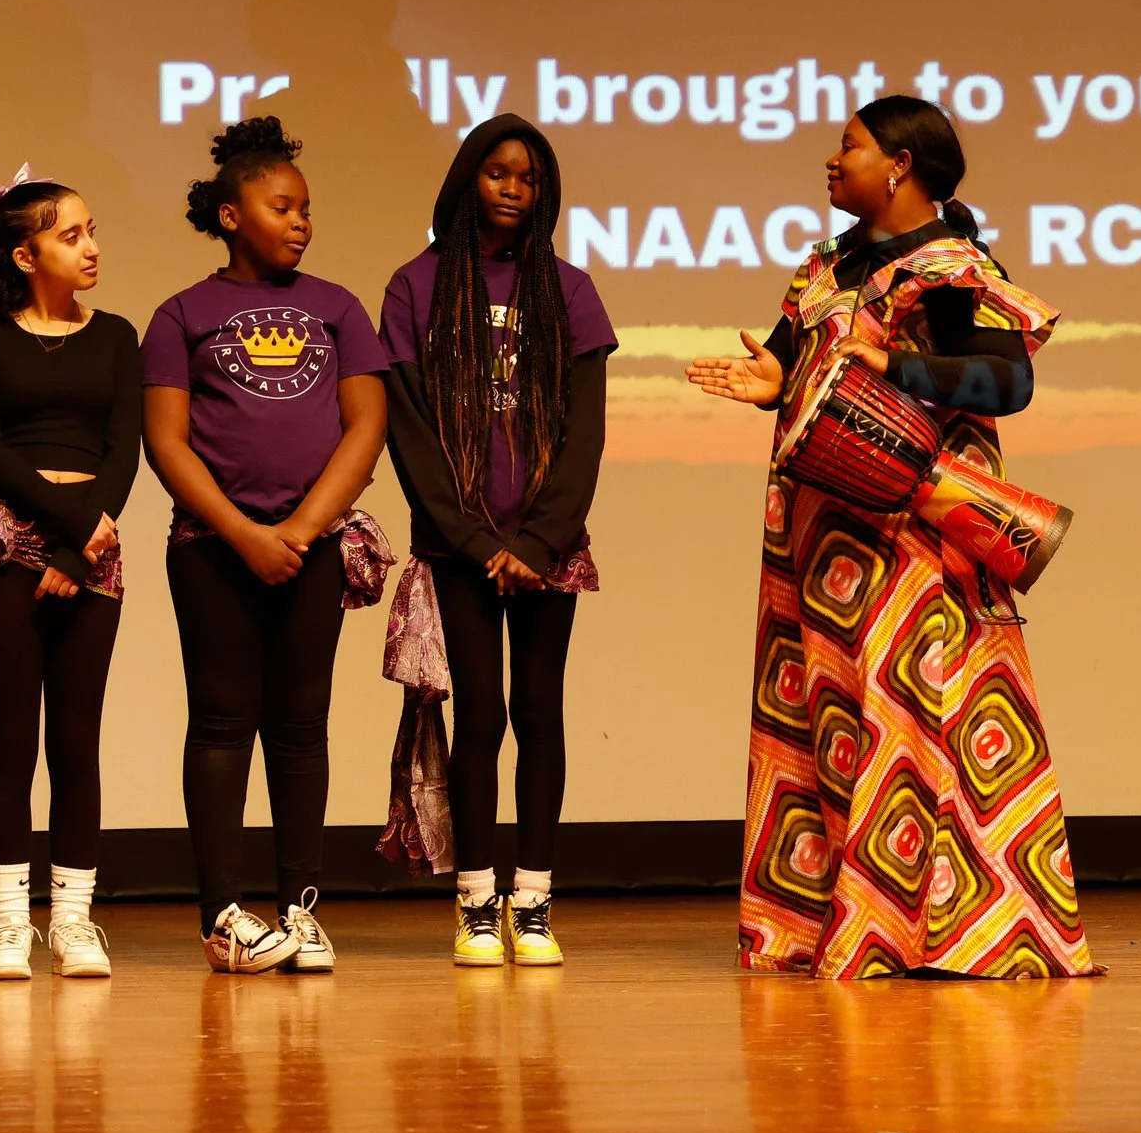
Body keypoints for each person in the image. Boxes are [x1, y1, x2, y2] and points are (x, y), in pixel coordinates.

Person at [687, 97, 1095, 980]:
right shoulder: (825, 265)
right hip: (821, 537)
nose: (833, 161)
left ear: (900, 165)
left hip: (914, 535)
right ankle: (838, 918)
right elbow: (799, 364)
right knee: (827, 714)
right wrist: (773, 379)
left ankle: (940, 926)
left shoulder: (949, 264)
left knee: (914, 713)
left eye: (850, 147)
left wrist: (895, 363)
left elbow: (1006, 378)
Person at [142, 117, 393, 976]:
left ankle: (299, 907)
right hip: (213, 549)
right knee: (219, 724)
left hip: (307, 548)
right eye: (281, 206)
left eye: (307, 209)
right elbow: (168, 443)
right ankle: (223, 917)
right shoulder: (182, 315)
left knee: (299, 727)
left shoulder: (338, 307)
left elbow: (366, 427)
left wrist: (301, 529)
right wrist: (245, 533)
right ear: (228, 213)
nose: (300, 222)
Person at [377, 115, 614, 968]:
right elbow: (408, 428)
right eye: (498, 173)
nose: (515, 188)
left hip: (548, 547)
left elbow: (583, 433)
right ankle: (477, 901)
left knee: (539, 712)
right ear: (466, 178)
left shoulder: (571, 290)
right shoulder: (416, 286)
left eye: (530, 177)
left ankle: (535, 900)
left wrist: (541, 540)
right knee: (480, 714)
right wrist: (475, 539)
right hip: (459, 548)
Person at [0, 172, 141, 981]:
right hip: (7, 546)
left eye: (90, 229)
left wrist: (82, 552)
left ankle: (74, 920)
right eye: (72, 234)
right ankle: (10, 921)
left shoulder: (117, 335)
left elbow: (125, 448)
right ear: (25, 252)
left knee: (77, 741)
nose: (91, 246)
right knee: (10, 742)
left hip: (94, 557)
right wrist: (65, 526)